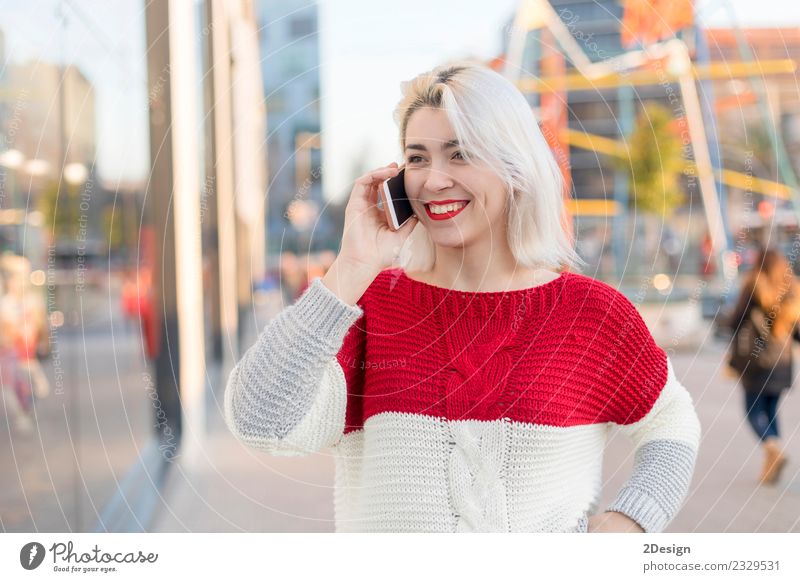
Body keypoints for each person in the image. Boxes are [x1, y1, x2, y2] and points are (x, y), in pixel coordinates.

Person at [224, 62, 701, 533]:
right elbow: (258, 420)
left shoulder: (590, 314)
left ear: (514, 166)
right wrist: (351, 267)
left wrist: (630, 520)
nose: (433, 180)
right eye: (417, 157)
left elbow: (671, 424)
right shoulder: (367, 307)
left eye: (460, 153)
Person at [726, 247, 799, 485]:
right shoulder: (791, 288)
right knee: (770, 410)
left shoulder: (752, 284)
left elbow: (736, 321)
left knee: (752, 410)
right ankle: (772, 461)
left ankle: (771, 447)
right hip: (783, 361)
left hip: (755, 360)